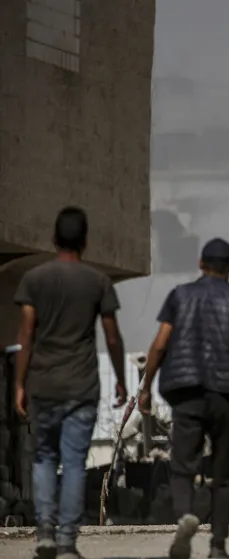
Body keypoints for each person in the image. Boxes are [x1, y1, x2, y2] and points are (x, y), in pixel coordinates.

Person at [13, 207, 128, 559]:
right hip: (81, 386)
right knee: (74, 462)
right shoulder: (97, 282)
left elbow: (26, 335)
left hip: (44, 385)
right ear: (85, 241)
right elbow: (111, 336)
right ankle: (66, 543)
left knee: (45, 458)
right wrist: (122, 380)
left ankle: (44, 533)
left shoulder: (34, 280)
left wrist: (19, 383)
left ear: (54, 238)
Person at [138, 238, 229, 559]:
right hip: (225, 395)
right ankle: (217, 547)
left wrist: (146, 386)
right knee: (223, 474)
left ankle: (185, 517)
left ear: (201, 264)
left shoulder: (179, 296)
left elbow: (160, 344)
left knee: (182, 467)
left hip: (186, 392)